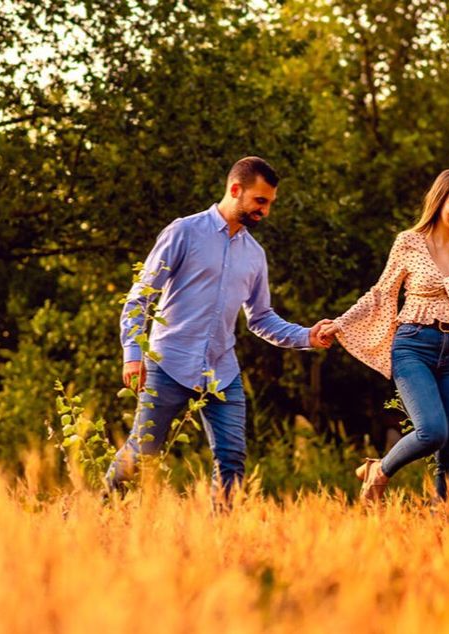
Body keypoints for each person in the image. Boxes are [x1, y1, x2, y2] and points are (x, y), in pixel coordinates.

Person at [106, 156, 332, 501]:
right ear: (235, 189)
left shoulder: (255, 255)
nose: (265, 211)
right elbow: (140, 298)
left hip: (221, 372)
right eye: (260, 201)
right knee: (142, 453)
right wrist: (133, 355)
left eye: (270, 203)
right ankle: (96, 514)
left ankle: (222, 537)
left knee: (232, 458)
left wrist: (306, 336)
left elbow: (260, 318)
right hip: (168, 364)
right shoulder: (183, 232)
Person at [319, 168, 449, 508]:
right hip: (414, 345)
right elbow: (381, 293)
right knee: (432, 430)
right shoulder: (409, 242)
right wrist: (341, 323)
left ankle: (443, 531)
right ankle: (380, 471)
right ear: (440, 200)